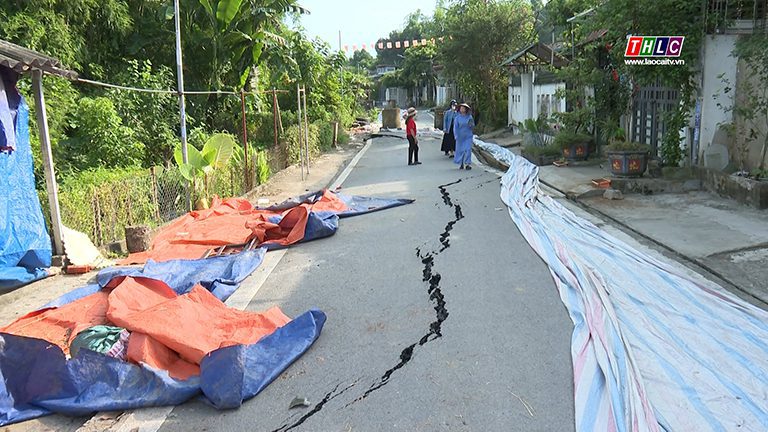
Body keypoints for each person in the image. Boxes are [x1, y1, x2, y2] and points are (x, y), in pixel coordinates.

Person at [453, 103, 475, 170]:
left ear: (466, 109)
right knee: (460, 150)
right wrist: (456, 135)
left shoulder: (469, 117)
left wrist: (471, 125)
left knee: (468, 150)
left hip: (468, 136)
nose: (462, 109)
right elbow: (455, 128)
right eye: (461, 108)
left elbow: (472, 125)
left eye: (464, 108)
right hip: (460, 136)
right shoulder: (457, 118)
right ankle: (461, 163)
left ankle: (468, 164)